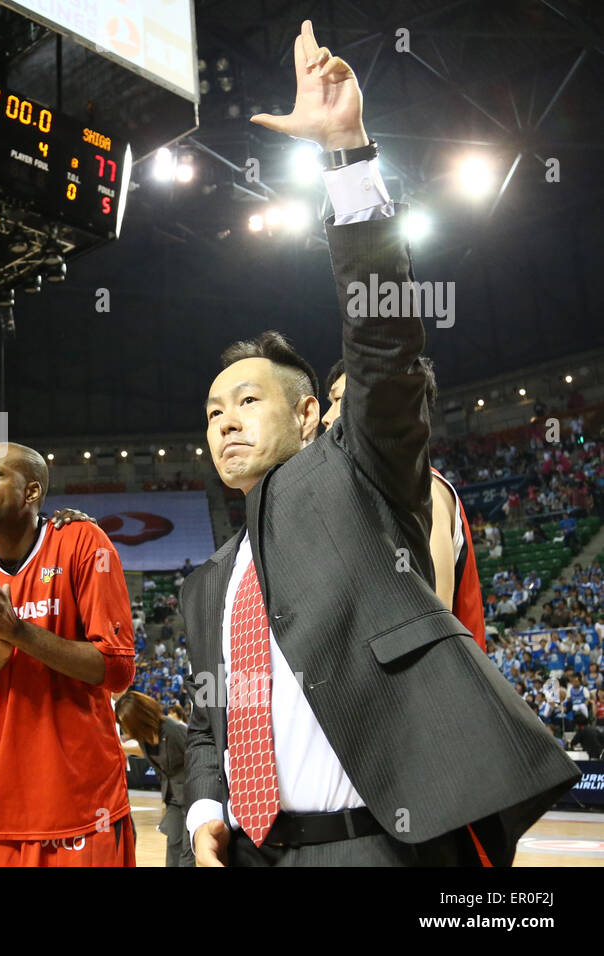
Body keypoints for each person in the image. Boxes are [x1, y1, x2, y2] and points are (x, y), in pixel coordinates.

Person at [183, 20, 578, 868]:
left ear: (309, 417)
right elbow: (208, 724)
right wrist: (205, 805)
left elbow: (384, 345)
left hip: (378, 850)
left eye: (248, 399)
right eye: (213, 412)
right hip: (254, 853)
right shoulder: (211, 580)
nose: (225, 421)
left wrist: (347, 156)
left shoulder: (356, 477)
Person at [0, 442, 136, 867]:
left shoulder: (82, 542)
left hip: (82, 803)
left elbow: (117, 670)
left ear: (31, 492)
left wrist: (19, 631)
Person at [323, 357, 486, 650]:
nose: (326, 416)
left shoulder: (425, 490)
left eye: (338, 400)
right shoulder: (370, 495)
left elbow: (436, 628)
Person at [116, 691, 193, 867]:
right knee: (173, 846)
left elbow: (199, 759)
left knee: (187, 855)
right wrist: (121, 748)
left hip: (192, 796)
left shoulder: (174, 730)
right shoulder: (144, 738)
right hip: (173, 800)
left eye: (126, 724)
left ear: (138, 718)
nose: (125, 729)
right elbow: (143, 752)